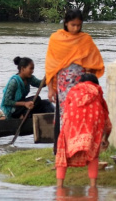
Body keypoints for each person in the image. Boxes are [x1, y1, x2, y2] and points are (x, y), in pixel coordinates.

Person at [45, 9, 105, 153]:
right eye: (73, 25)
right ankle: (63, 148)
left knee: (82, 114)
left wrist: (90, 83)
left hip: (81, 84)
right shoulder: (56, 39)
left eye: (79, 25)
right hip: (63, 85)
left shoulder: (86, 39)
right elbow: (51, 66)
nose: (76, 28)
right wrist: (50, 88)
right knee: (65, 115)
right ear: (66, 23)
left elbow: (93, 63)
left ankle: (81, 147)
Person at [55, 74, 111, 188]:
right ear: (95, 84)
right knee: (93, 153)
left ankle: (59, 186)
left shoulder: (73, 91)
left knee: (63, 152)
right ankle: (93, 186)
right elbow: (107, 121)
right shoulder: (98, 93)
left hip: (71, 125)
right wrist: (106, 138)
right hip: (92, 126)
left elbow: (65, 113)